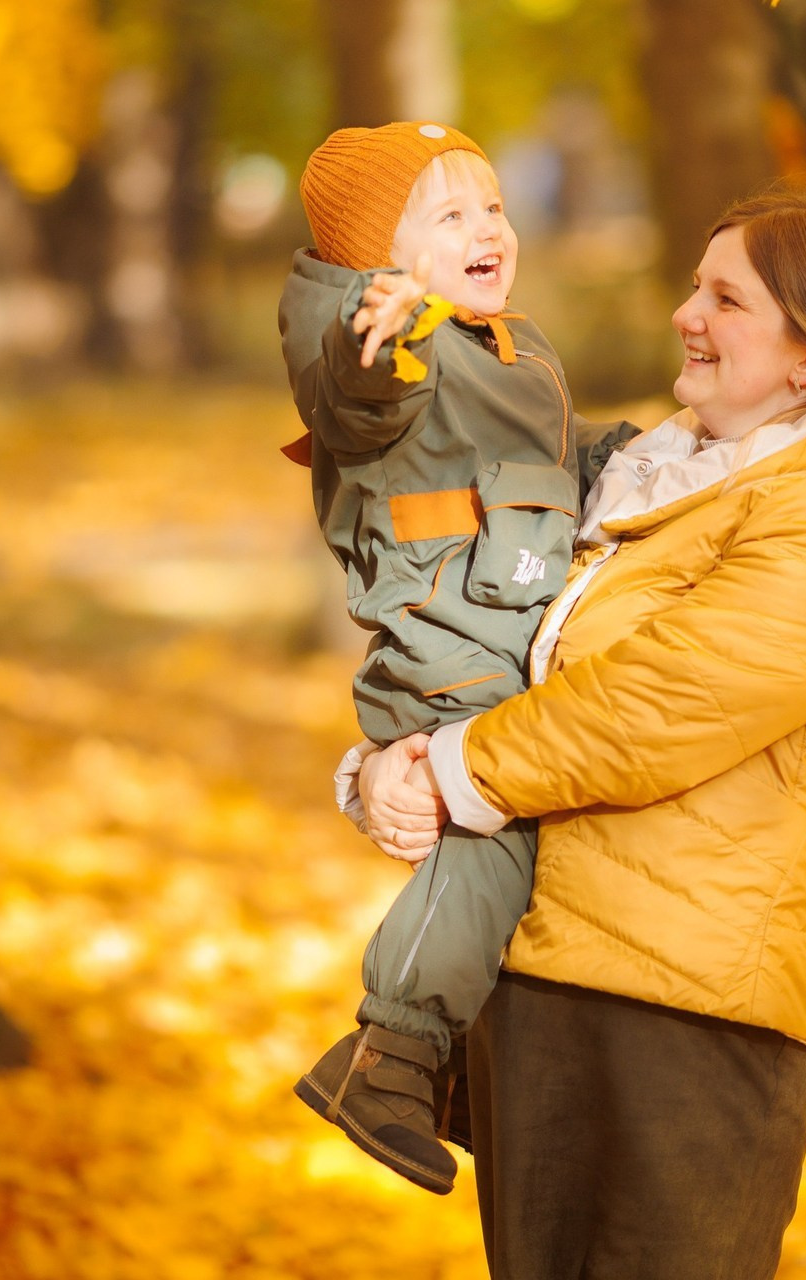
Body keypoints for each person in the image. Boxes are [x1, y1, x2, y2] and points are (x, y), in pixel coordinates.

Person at [358, 188, 806, 1279]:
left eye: (724, 297)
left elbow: (649, 710)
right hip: (547, 974)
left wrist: (441, 771)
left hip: (697, 1006)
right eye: (693, 285)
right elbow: (502, 639)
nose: (684, 313)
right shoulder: (650, 487)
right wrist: (381, 757)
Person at [277, 120, 635, 1196]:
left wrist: (617, 455)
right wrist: (374, 339)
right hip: (445, 651)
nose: (488, 228)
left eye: (492, 206)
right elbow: (354, 397)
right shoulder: (395, 341)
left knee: (530, 853)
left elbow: (536, 467)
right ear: (378, 263)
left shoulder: (511, 351)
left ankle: (452, 1061)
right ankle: (388, 1052)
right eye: (450, 214)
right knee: (493, 825)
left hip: (496, 637)